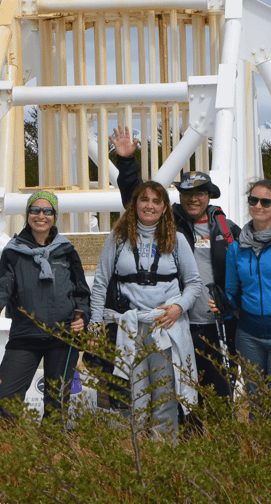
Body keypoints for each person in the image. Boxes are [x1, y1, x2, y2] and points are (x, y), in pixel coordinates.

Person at [113, 126, 241, 414]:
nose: (193, 199)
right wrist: (126, 163)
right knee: (181, 398)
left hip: (216, 326)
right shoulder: (167, 223)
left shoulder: (228, 230)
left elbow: (246, 274)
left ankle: (220, 452)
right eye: (187, 193)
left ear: (209, 196)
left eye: (200, 193)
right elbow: (138, 200)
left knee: (220, 397)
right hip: (176, 327)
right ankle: (188, 451)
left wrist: (233, 303)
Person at [90, 181, 201, 441]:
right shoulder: (118, 238)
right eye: (144, 200)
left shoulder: (177, 239)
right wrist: (95, 327)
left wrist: (177, 308)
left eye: (156, 201)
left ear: (164, 208)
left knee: (165, 395)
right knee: (133, 396)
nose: (149, 205)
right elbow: (100, 283)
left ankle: (164, 455)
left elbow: (194, 283)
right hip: (129, 328)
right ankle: (133, 455)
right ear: (135, 204)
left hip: (166, 327)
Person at [0, 191, 90, 423]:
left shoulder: (66, 251)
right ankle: (9, 455)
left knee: (57, 406)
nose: (41, 215)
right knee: (5, 402)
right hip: (25, 335)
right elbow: (2, 289)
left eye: (47, 211)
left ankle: (52, 454)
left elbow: (81, 291)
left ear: (54, 216)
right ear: (27, 214)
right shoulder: (13, 251)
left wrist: (83, 317)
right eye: (35, 210)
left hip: (63, 336)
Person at [210, 180, 271, 410]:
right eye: (253, 200)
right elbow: (234, 292)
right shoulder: (236, 248)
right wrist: (223, 305)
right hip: (248, 335)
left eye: (266, 201)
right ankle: (259, 448)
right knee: (256, 403)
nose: (258, 206)